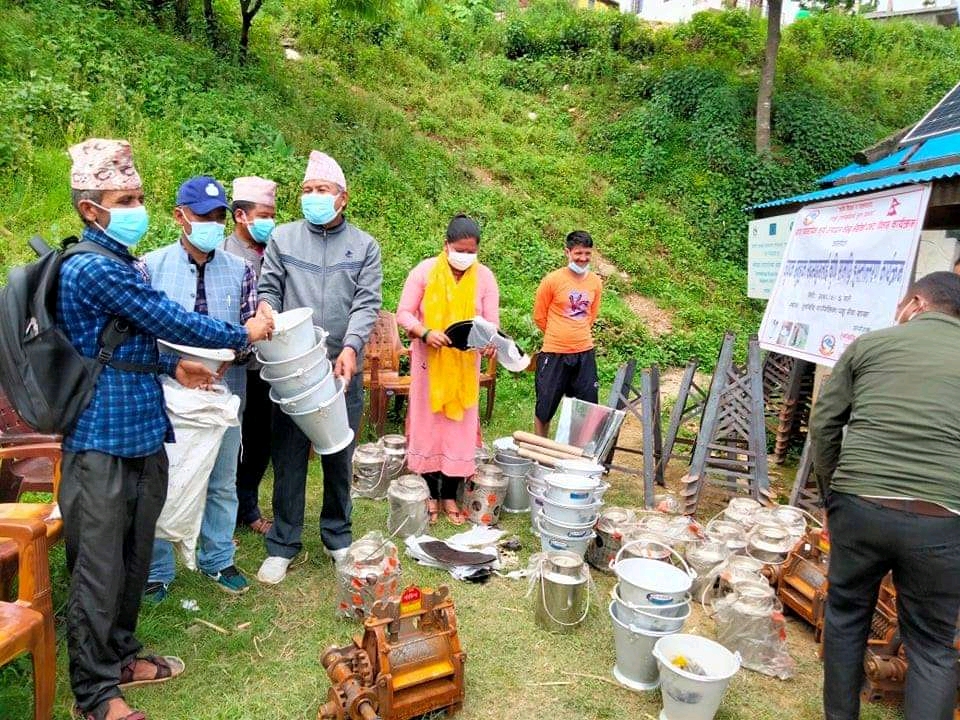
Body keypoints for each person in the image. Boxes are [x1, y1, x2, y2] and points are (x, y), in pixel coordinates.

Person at [58, 139, 273, 720]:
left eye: (139, 197)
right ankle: (96, 695)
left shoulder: (124, 261)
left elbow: (126, 341)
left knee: (130, 556)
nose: (136, 208)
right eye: (124, 199)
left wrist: (170, 364)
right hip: (98, 438)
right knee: (98, 568)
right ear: (89, 208)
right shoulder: (92, 267)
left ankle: (121, 655)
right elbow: (164, 317)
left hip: (143, 431)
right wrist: (240, 334)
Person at [811, 271, 960, 720]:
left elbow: (824, 424)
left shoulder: (871, 345)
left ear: (915, 303)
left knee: (846, 615)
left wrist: (831, 494)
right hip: (943, 517)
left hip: (860, 504)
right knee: (933, 646)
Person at [256, 151, 382, 584]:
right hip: (294, 366)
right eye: (307, 191)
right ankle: (283, 542)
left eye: (321, 190)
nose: (313, 197)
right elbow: (269, 288)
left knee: (337, 452)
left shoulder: (364, 246)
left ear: (342, 198)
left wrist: (351, 346)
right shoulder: (284, 239)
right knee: (288, 455)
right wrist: (267, 313)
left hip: (342, 368)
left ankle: (337, 536)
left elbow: (367, 302)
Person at [141, 176, 260, 600]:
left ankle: (217, 559)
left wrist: (234, 355)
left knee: (223, 479)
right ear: (180, 217)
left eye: (218, 217)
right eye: (202, 216)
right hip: (165, 392)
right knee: (163, 479)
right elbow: (139, 336)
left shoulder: (241, 270)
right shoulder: (150, 267)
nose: (211, 224)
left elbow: (250, 332)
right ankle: (157, 570)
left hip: (224, 391)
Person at [397, 215, 499, 524]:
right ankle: (430, 495)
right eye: (459, 249)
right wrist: (426, 332)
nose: (464, 256)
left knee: (459, 431)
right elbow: (404, 313)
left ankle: (450, 498)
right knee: (429, 428)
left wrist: (491, 341)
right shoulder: (425, 271)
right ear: (446, 245)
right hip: (429, 364)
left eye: (471, 251)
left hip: (465, 368)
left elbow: (491, 324)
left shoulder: (485, 278)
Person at [224, 176, 278, 535]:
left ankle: (249, 506)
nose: (270, 221)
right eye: (263, 214)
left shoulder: (276, 251)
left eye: (273, 214)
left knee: (261, 438)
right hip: (233, 363)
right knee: (230, 438)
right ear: (241, 216)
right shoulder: (224, 254)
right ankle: (223, 511)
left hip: (269, 363)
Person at [532, 230, 603, 437]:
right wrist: (558, 334)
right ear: (568, 252)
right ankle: (539, 451)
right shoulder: (552, 280)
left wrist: (576, 333)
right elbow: (539, 316)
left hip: (584, 353)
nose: (583, 259)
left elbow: (591, 315)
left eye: (587, 254)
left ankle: (577, 456)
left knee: (586, 409)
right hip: (555, 352)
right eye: (578, 253)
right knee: (545, 407)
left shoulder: (595, 282)